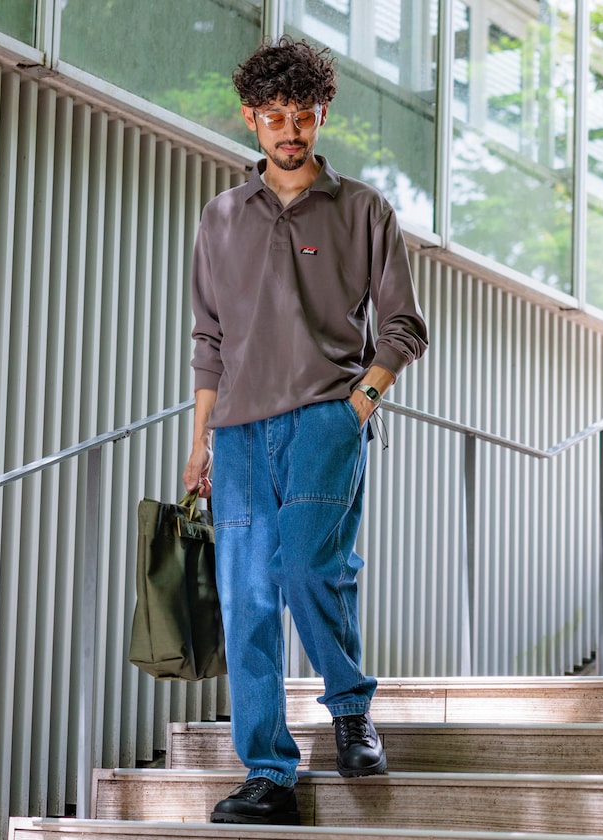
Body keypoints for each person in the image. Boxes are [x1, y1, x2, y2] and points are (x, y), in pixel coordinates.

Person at [182, 35, 428, 825]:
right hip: (237, 435)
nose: (290, 131)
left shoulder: (363, 210)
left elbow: (403, 324)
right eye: (275, 116)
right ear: (251, 119)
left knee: (306, 568)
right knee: (246, 599)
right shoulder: (221, 217)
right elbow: (210, 339)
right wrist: (200, 440)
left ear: (322, 116)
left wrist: (361, 403)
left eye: (304, 115)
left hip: (326, 418)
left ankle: (350, 709)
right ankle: (268, 775)